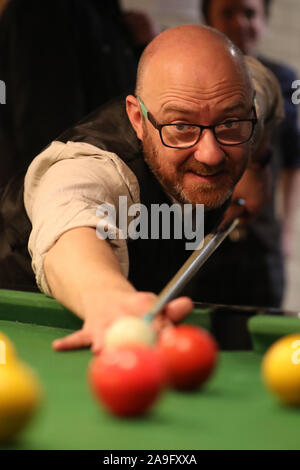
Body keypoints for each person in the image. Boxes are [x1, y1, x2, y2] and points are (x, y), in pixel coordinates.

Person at [16, 25, 282, 353]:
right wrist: (107, 298)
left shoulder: (233, 99)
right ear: (138, 119)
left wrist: (257, 163)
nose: (211, 154)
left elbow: (263, 85)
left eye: (229, 124)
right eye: (181, 127)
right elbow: (68, 221)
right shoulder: (92, 168)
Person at [200, 0, 300, 307]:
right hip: (200, 237)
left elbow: (295, 159)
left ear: (263, 20)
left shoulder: (288, 80)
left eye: (249, 13)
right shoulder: (191, 79)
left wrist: (285, 232)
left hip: (261, 241)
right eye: (228, 12)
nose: (240, 23)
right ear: (209, 19)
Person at [0, 0, 156, 189]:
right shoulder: (44, 9)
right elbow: (46, 130)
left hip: (103, 185)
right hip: (71, 190)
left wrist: (139, 48)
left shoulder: (106, 13)